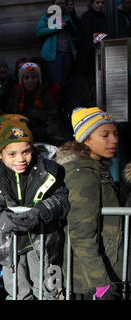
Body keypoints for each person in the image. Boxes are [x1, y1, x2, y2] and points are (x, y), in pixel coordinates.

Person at [0, 114, 69, 300]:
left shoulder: (49, 169)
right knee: (19, 293)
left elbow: (61, 198)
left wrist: (40, 213)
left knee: (47, 293)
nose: (21, 159)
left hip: (41, 243)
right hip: (7, 245)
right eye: (12, 154)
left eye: (26, 151)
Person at [56, 107, 123, 300]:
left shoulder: (97, 168)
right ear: (86, 140)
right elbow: (82, 233)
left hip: (105, 272)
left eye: (115, 134)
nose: (114, 140)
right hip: (92, 283)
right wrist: (100, 284)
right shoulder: (82, 173)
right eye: (105, 135)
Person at [6, 62, 68, 145]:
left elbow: (53, 121)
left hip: (44, 138)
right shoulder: (15, 99)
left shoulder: (46, 98)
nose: (30, 81)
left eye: (33, 77)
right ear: (22, 80)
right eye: (27, 78)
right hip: (21, 138)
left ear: (38, 79)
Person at [36, 0, 78, 86]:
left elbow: (75, 31)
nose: (61, 6)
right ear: (53, 5)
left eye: (62, 3)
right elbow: (39, 31)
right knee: (56, 82)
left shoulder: (66, 16)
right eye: (58, 3)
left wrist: (70, 27)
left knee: (64, 81)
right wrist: (57, 27)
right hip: (54, 54)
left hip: (67, 52)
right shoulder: (46, 17)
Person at [76, 0, 107, 77]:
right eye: (97, 2)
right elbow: (84, 35)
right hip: (88, 54)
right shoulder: (86, 16)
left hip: (100, 50)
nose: (100, 5)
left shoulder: (103, 16)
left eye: (102, 3)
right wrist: (92, 37)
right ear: (91, 3)